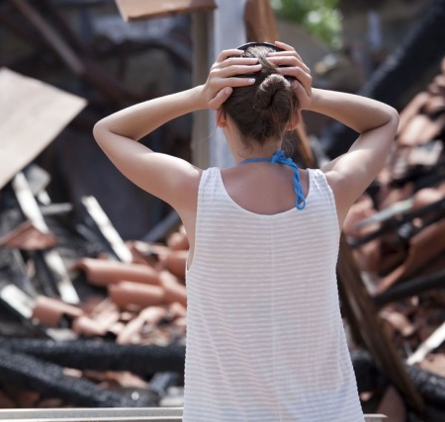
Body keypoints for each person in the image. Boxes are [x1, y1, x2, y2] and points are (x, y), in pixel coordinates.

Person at [94, 41, 399, 422]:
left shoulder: (196, 193)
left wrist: (199, 96)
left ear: (220, 116)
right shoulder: (331, 190)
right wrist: (314, 95)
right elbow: (385, 119)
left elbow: (109, 131)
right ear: (293, 117)